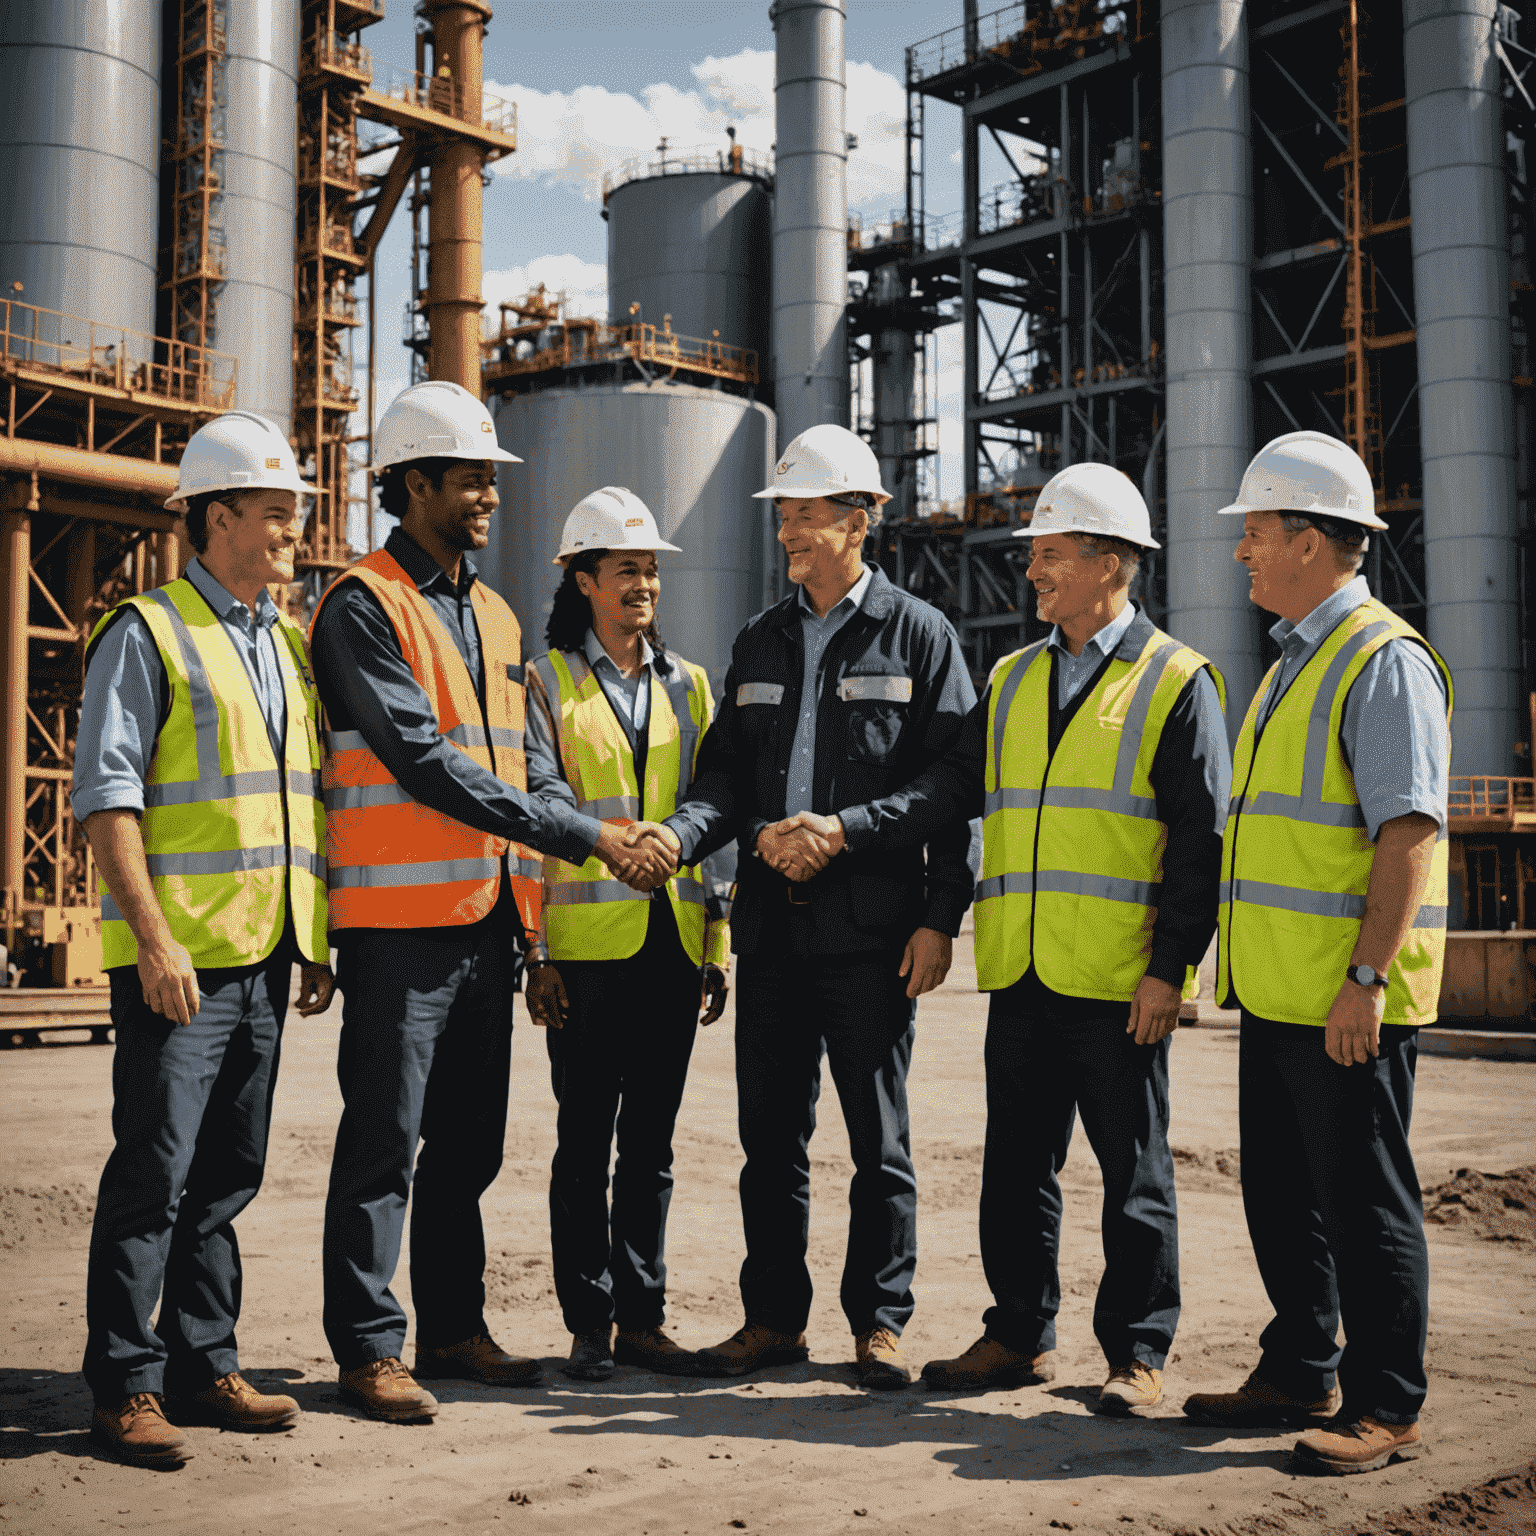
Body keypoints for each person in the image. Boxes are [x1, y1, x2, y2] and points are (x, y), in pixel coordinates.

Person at [781, 463, 1231, 1414]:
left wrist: (1170, 973)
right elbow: (948, 793)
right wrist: (852, 829)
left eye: (1052, 554)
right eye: (1034, 554)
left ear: (1112, 562)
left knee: (1134, 1174)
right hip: (1023, 969)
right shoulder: (1016, 677)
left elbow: (1200, 847)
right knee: (1017, 1168)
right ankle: (1019, 1333)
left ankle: (1138, 1352)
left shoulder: (1177, 681)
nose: (1033, 570)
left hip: (1117, 981)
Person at [308, 382, 672, 1423]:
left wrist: (572, 853)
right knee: (385, 1139)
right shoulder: (361, 606)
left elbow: (522, 768)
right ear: (413, 482)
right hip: (394, 927)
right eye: (470, 479)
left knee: (469, 1145)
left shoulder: (499, 613)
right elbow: (425, 765)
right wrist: (589, 837)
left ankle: (454, 1329)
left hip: (485, 926)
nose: (487, 497)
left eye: (490, 480)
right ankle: (369, 1348)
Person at [631, 423, 977, 1391]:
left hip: (872, 937)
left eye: (806, 514)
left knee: (880, 1142)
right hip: (773, 934)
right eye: (783, 515)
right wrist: (679, 836)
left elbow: (954, 787)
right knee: (770, 1140)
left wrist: (923, 901)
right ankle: (774, 1318)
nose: (787, 530)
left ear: (859, 521)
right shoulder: (758, 640)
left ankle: (879, 1324)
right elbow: (725, 782)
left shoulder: (920, 637)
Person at [1182, 430, 1452, 1475]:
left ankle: (1387, 1405)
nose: (1242, 553)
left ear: (1310, 539)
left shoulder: (1380, 661)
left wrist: (1367, 980)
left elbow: (1408, 834)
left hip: (1347, 1000)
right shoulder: (1297, 661)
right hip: (1284, 996)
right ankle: (1300, 1365)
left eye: (1254, 533)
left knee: (1363, 1200)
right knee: (1284, 1195)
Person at [75, 413, 335, 1466]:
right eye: (276, 515)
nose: (292, 533)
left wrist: (310, 934)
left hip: (267, 951)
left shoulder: (283, 637)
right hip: (181, 959)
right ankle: (125, 1383)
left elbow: (293, 801)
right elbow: (107, 797)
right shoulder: (147, 631)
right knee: (154, 1170)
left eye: (295, 515)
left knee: (228, 1173)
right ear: (218, 516)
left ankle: (202, 1358)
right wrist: (151, 938)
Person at [522, 487, 731, 1383]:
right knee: (583, 1141)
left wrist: (717, 945)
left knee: (651, 1147)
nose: (644, 584)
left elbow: (713, 810)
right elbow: (537, 803)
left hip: (672, 947)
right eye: (626, 570)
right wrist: (533, 953)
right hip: (582, 954)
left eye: (650, 570)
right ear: (583, 580)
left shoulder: (691, 684)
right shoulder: (546, 681)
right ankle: (588, 1320)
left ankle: (643, 1318)